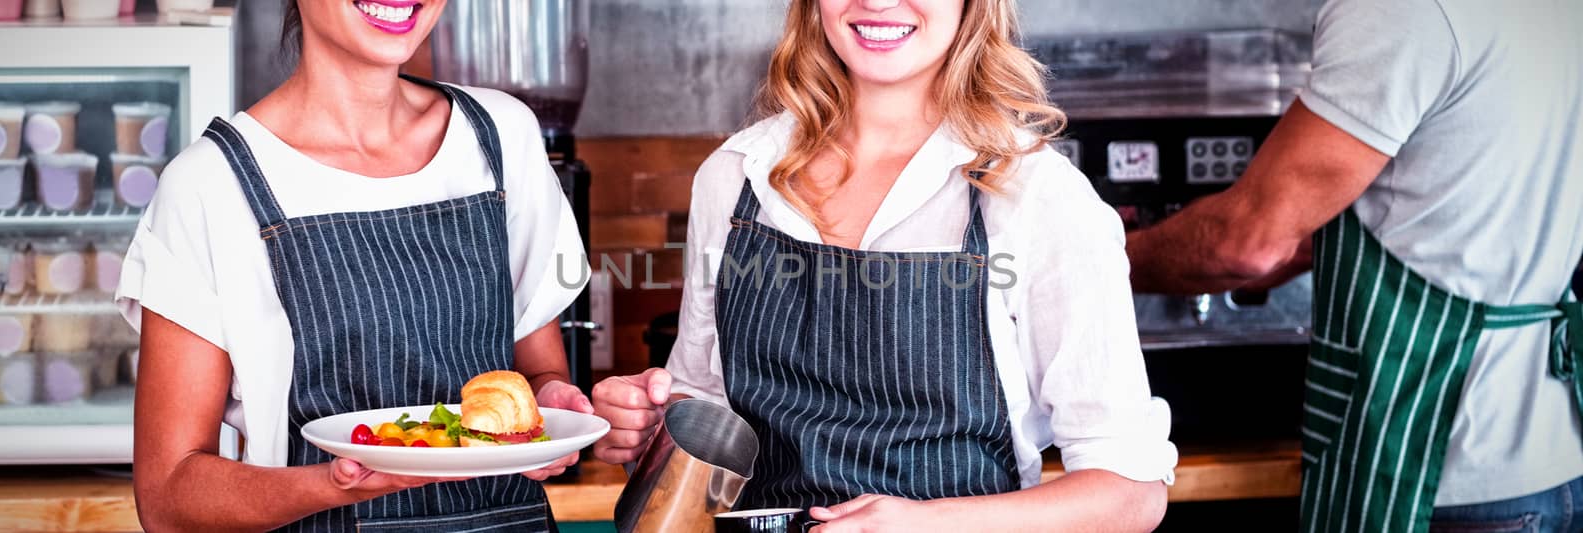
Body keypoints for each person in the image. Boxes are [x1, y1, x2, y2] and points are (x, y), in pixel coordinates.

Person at [594, 0, 1177, 530]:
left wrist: (926, 525)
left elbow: (1130, 492)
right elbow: (701, 402)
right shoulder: (736, 176)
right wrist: (648, 425)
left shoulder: (1036, 198)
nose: (875, 2)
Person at [118, 1, 592, 531]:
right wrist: (334, 481)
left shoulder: (503, 137)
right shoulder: (209, 186)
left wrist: (553, 409)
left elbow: (537, 375)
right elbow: (167, 497)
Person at [1124, 0, 1583, 530]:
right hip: (1554, 450)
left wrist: (1097, 257)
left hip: (1435, 456)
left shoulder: (1399, 11)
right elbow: (1447, 211)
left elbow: (1244, 243)